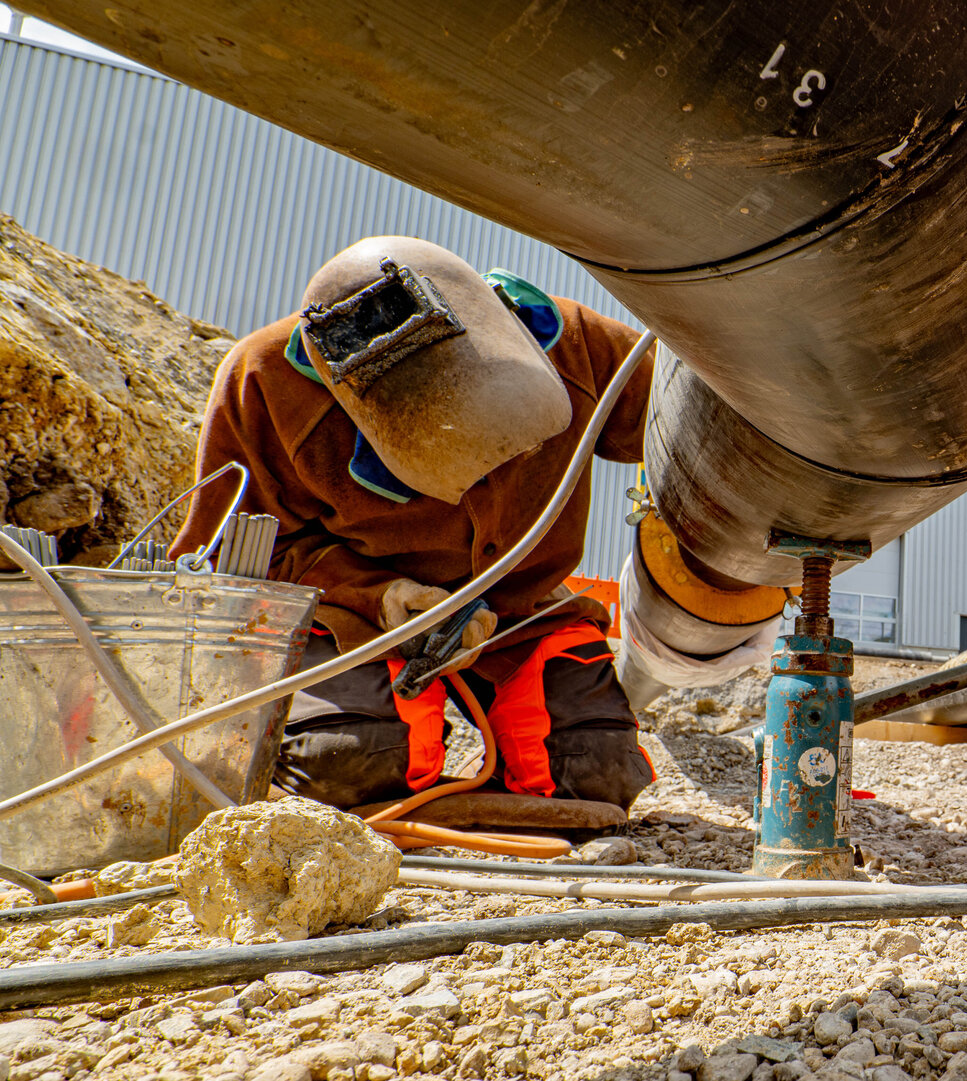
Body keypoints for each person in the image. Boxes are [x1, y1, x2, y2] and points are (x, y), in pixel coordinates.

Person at [171, 236, 660, 813]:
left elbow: (695, 435)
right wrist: (381, 597)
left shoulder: (576, 344)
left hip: (522, 612)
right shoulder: (268, 383)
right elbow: (235, 562)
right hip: (355, 619)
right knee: (349, 762)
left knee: (596, 772)